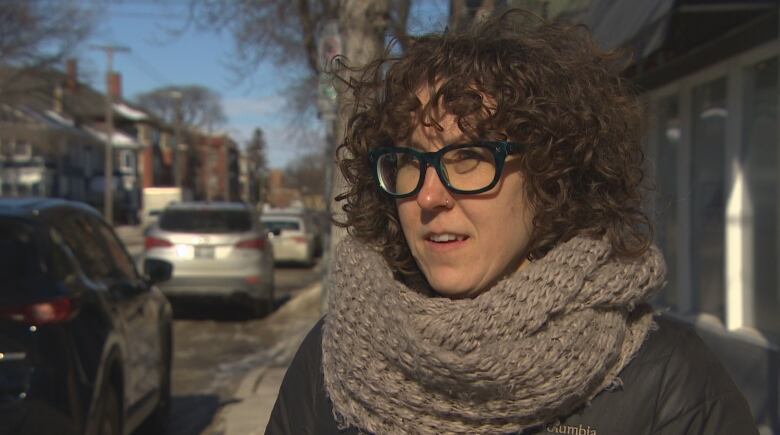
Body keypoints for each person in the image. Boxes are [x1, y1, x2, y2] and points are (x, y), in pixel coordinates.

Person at [266, 10, 758, 435]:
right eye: (410, 161)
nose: (429, 195)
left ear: (552, 175)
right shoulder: (336, 358)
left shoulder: (666, 381)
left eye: (470, 158)